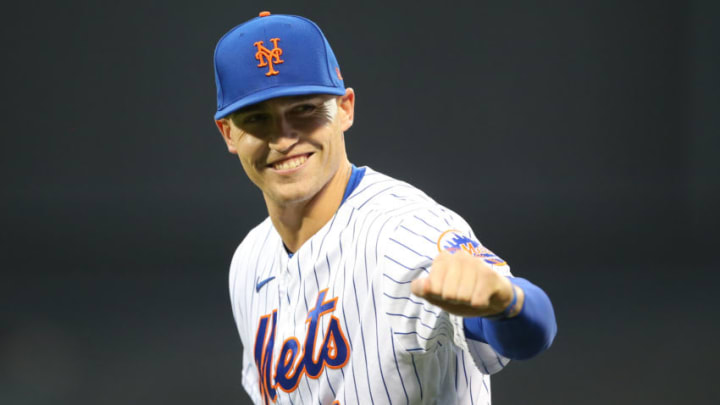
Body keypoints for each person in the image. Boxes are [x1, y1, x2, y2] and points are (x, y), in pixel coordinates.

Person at [213, 11, 557, 405]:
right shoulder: (249, 260)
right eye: (258, 119)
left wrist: (509, 304)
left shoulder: (403, 232)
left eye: (305, 110)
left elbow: (533, 331)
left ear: (344, 109)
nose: (284, 138)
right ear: (229, 133)